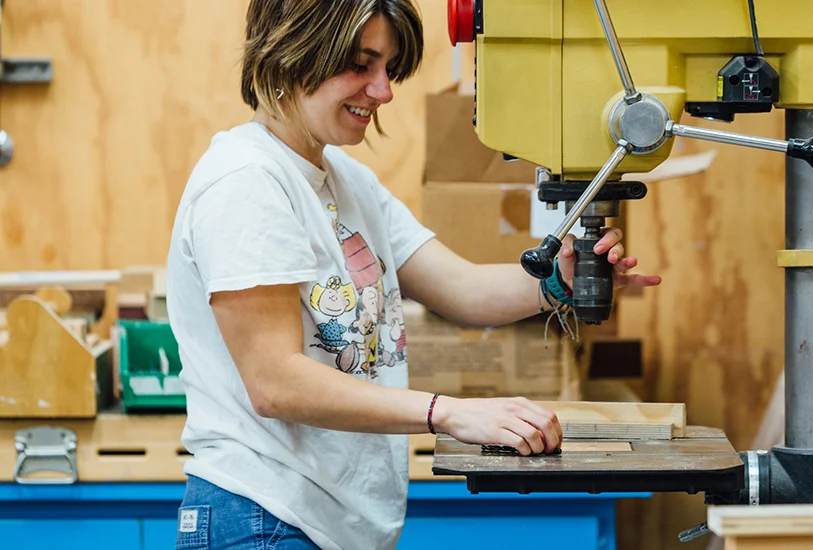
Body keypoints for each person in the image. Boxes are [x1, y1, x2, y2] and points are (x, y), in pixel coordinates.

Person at [165, 1, 661, 549]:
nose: (383, 92)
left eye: (388, 69)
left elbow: (462, 289)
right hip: (266, 515)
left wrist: (557, 283)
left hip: (326, 523)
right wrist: (447, 412)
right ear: (293, 50)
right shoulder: (246, 182)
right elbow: (275, 382)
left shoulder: (345, 180)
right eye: (361, 64)